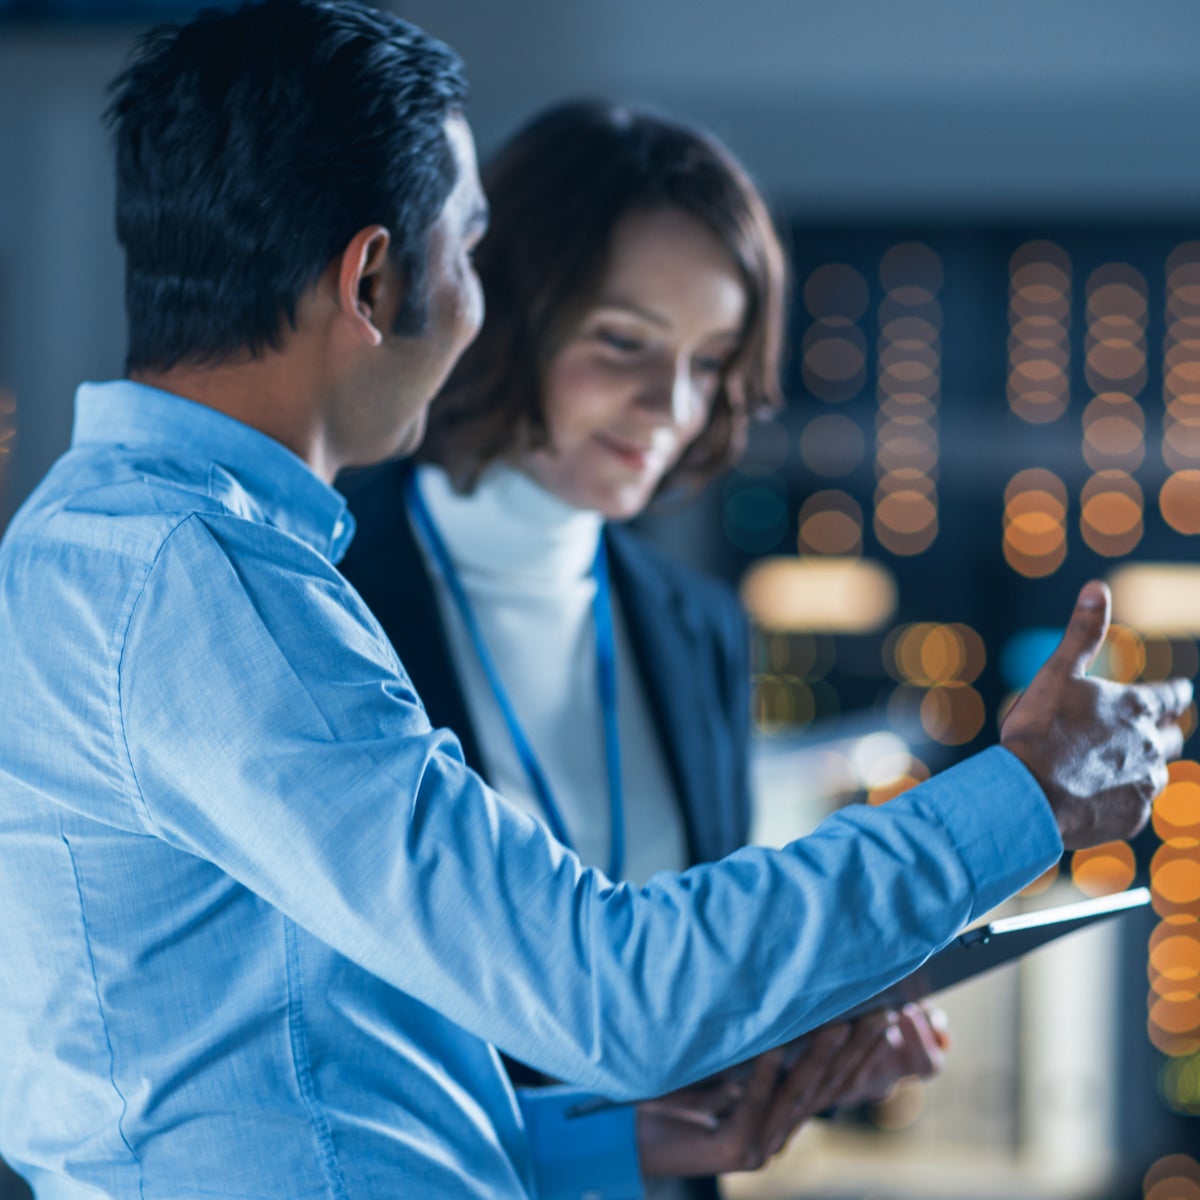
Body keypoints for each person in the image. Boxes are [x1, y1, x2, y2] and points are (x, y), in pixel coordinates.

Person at [0, 2, 1188, 1197]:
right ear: (372, 279)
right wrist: (1029, 793)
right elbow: (606, 991)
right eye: (467, 251)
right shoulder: (202, 587)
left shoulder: (150, 556)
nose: (474, 307)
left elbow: (304, 1082)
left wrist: (613, 1142)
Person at [337, 100, 952, 1198]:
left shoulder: (698, 626)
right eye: (624, 343)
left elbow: (692, 994)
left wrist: (817, 1038)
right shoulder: (330, 590)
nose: (671, 406)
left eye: (710, 362)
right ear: (503, 311)